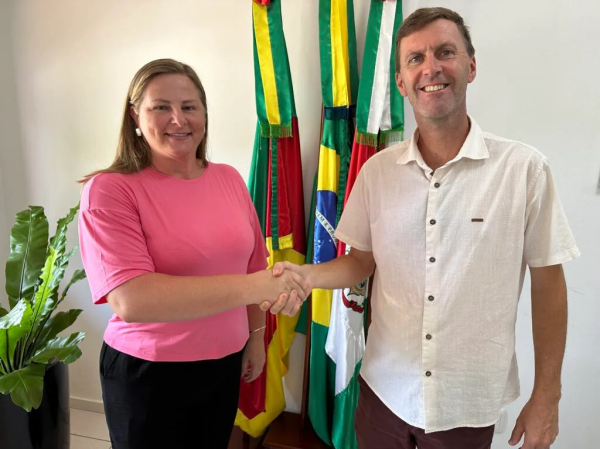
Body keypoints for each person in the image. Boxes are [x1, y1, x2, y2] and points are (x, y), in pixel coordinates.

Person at [273, 7, 579, 449]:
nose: (430, 67)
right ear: (401, 82)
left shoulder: (524, 170)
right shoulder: (377, 173)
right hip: (383, 394)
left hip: (466, 405)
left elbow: (549, 283)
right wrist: (307, 275)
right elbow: (360, 262)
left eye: (445, 52)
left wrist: (548, 394)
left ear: (471, 66)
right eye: (415, 58)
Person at [78, 58, 307, 449]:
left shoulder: (229, 178)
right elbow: (133, 299)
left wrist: (255, 337)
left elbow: (254, 266)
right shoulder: (110, 190)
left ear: (204, 114)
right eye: (160, 107)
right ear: (135, 116)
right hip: (150, 373)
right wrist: (256, 287)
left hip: (223, 363)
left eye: (189, 106)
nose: (178, 119)